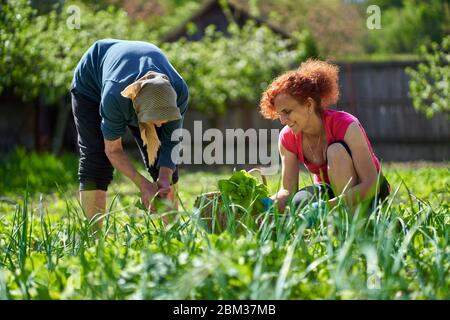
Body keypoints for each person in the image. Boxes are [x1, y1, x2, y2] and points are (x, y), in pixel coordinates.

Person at [71, 39, 189, 223]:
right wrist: (142, 185)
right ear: (137, 111)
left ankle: (173, 233)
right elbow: (113, 150)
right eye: (155, 121)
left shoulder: (178, 91)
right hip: (91, 83)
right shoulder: (114, 98)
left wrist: (164, 179)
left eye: (165, 119)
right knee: (96, 159)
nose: (160, 126)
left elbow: (171, 144)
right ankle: (93, 242)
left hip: (134, 76)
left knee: (163, 162)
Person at [259, 59, 389, 212]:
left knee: (336, 152)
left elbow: (371, 183)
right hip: (330, 193)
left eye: (287, 112)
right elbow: (288, 191)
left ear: (309, 105)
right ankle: (336, 222)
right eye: (280, 114)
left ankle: (353, 226)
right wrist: (260, 205)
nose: (282, 121)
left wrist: (328, 206)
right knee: (299, 201)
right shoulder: (287, 137)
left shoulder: (346, 125)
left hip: (369, 193)